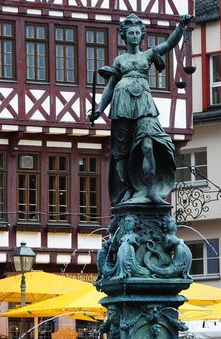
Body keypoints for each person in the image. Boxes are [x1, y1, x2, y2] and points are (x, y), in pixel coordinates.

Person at [89, 12, 192, 205]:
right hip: (122, 103)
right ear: (125, 36)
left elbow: (169, 44)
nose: (135, 36)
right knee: (121, 151)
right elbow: (110, 87)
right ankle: (125, 191)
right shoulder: (120, 60)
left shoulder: (149, 54)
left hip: (144, 104)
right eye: (131, 33)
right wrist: (99, 109)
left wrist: (181, 26)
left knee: (147, 144)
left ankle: (150, 189)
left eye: (137, 33)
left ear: (141, 35)